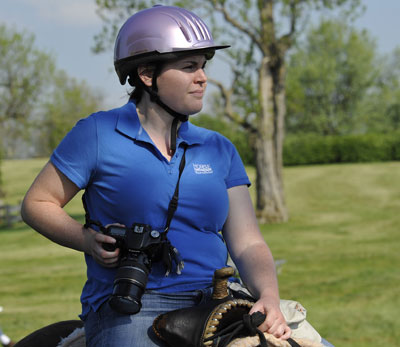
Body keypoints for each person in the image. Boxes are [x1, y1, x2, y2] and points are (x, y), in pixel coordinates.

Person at [21, 5, 302, 347]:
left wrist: (269, 297)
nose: (203, 78)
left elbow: (248, 243)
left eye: (203, 66)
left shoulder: (218, 148)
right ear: (146, 74)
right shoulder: (97, 133)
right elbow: (37, 203)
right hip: (131, 308)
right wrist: (86, 241)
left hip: (217, 300)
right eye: (188, 67)